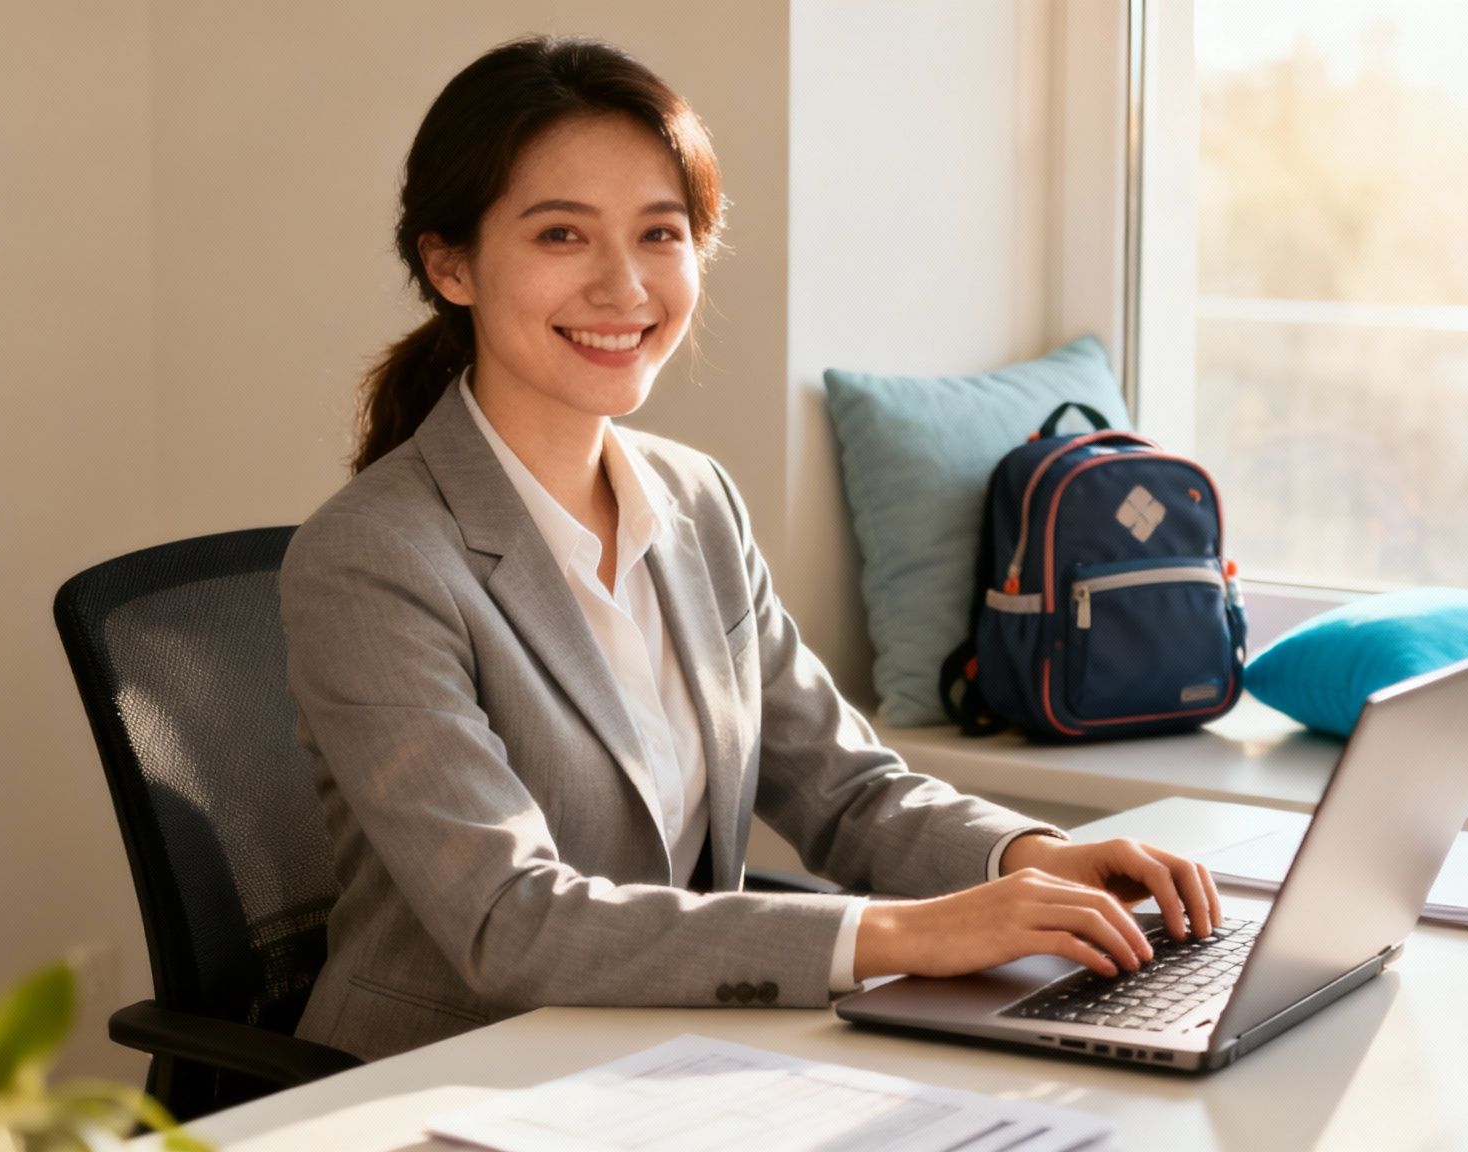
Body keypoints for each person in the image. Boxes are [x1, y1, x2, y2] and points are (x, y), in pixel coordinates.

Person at [280, 35, 1221, 1062]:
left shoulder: (694, 499)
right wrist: (905, 934)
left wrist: (1030, 859)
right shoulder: (374, 560)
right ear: (449, 263)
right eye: (560, 235)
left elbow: (841, 788)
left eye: (659, 234)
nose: (623, 286)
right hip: (444, 1082)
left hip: (668, 1062)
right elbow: (512, 921)